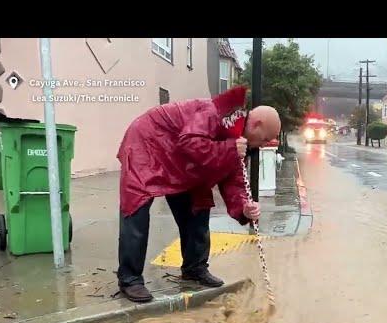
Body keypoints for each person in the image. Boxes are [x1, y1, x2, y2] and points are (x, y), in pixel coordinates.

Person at [116, 86, 281, 303]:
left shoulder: (238, 140)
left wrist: (245, 207)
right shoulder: (214, 113)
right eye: (264, 138)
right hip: (148, 141)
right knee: (136, 207)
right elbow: (189, 141)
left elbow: (235, 183)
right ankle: (130, 279)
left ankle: (195, 268)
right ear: (257, 124)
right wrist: (229, 149)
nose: (262, 145)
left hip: (183, 163)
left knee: (198, 205)